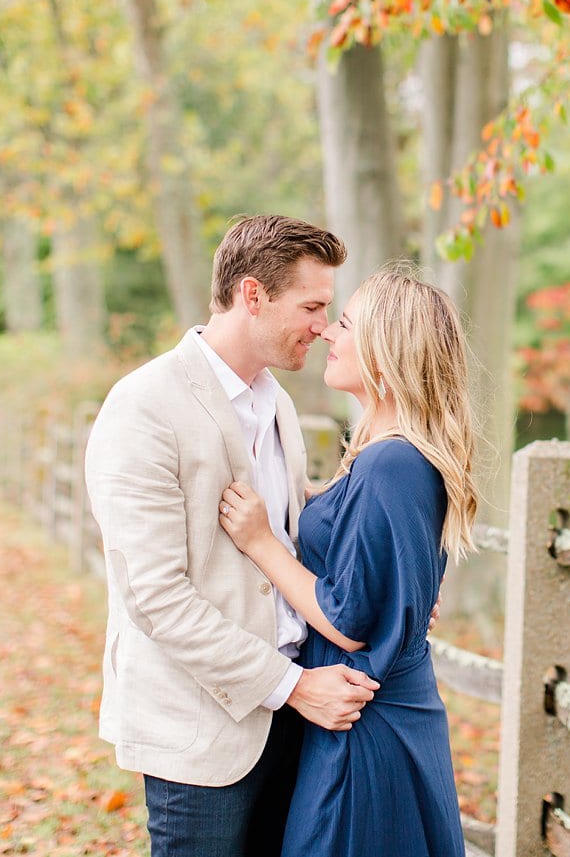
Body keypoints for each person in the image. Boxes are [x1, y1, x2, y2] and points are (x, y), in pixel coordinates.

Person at [84, 215, 381, 857]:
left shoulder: (277, 403)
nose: (324, 327)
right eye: (312, 306)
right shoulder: (143, 407)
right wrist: (293, 686)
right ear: (254, 296)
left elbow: (296, 535)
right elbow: (156, 597)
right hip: (202, 730)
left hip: (294, 725)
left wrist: (395, 581)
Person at [218, 266, 477, 857]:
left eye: (347, 323)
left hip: (364, 723)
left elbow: (350, 620)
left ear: (386, 352)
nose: (330, 333)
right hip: (370, 712)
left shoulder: (391, 465)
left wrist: (259, 540)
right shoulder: (385, 458)